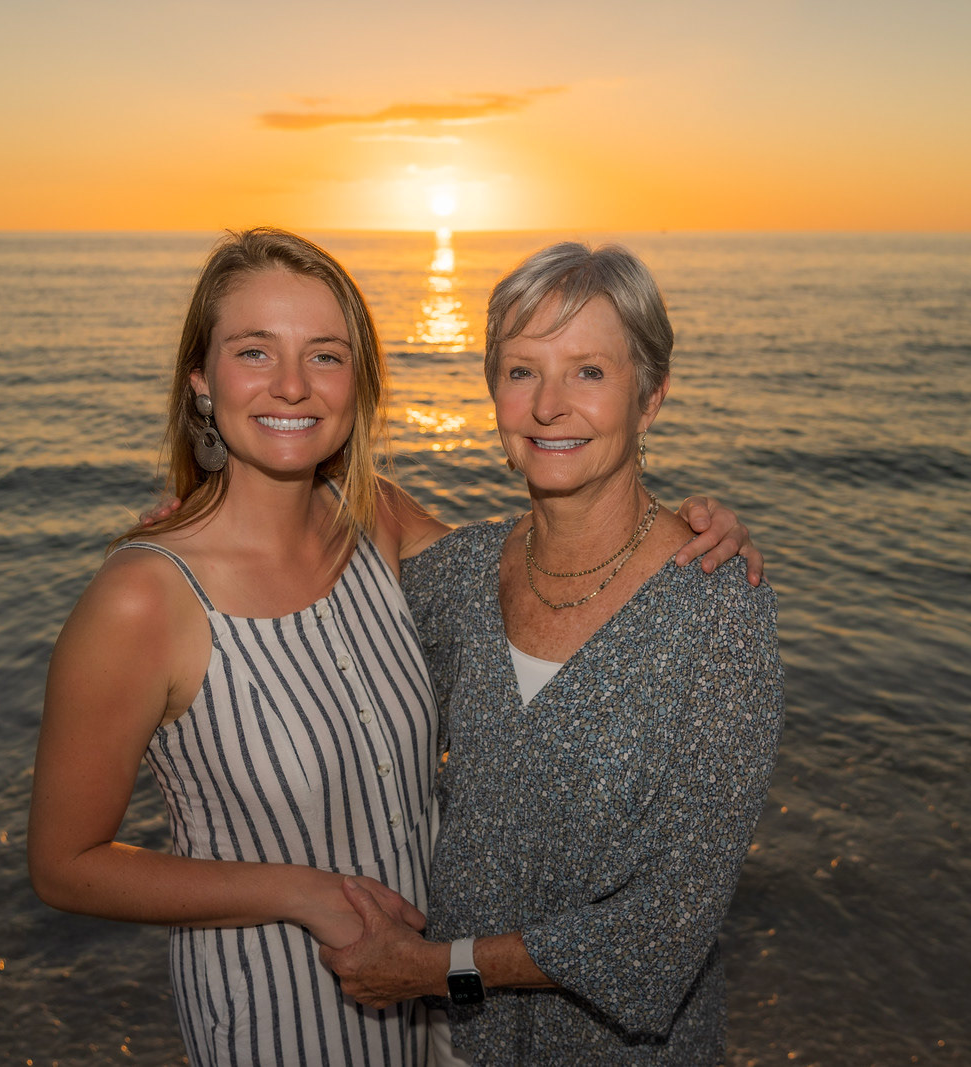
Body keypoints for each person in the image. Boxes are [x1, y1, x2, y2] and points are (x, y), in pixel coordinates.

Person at [28, 228, 762, 1067]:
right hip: (280, 1015)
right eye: (254, 351)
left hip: (441, 1020)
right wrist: (298, 892)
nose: (293, 385)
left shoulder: (375, 526)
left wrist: (693, 537)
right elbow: (63, 864)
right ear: (201, 377)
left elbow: (553, 599)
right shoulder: (142, 599)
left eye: (326, 356)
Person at [319, 241, 785, 1066]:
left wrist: (430, 969)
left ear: (650, 398)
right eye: (522, 370)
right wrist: (217, 499)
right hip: (457, 1048)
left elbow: (662, 931)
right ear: (493, 392)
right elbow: (368, 501)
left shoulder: (719, 609)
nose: (548, 406)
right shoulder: (463, 577)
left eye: (589, 373)